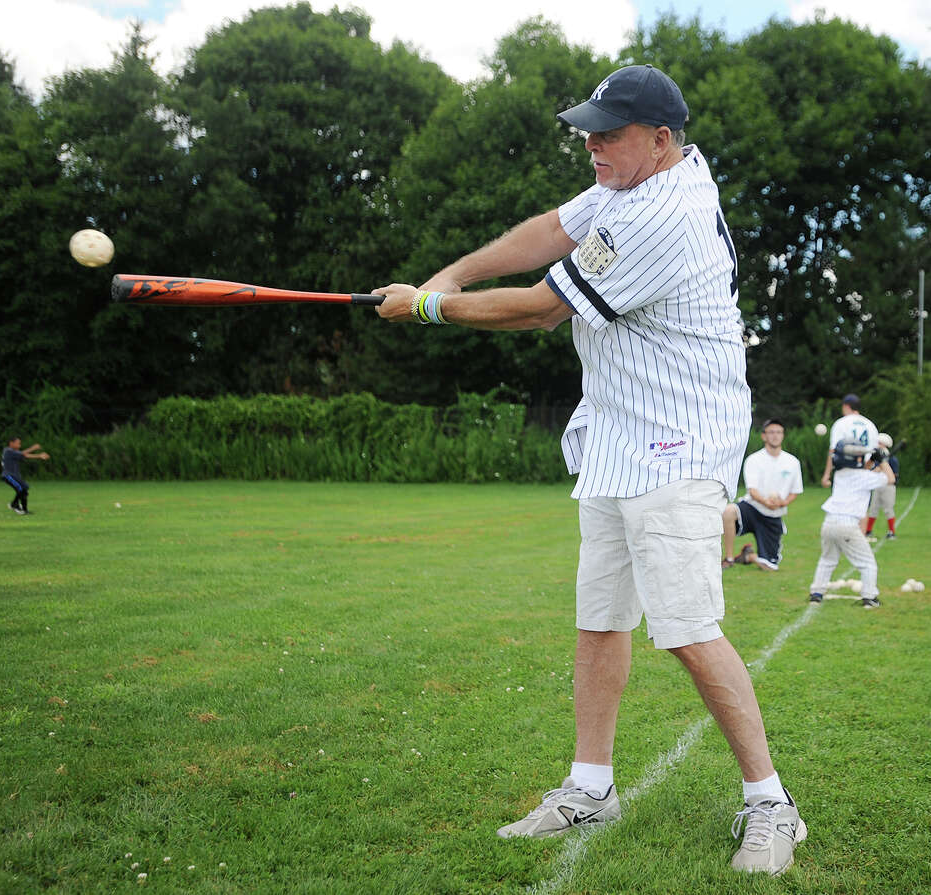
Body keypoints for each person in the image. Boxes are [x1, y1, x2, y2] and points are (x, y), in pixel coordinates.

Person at [373, 64, 806, 875]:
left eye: (608, 133)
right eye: (587, 131)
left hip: (678, 443)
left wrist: (431, 306)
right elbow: (547, 230)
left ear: (661, 140)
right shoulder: (623, 184)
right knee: (601, 616)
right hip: (614, 437)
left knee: (685, 627)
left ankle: (772, 802)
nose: (591, 145)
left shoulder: (668, 214)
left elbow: (543, 304)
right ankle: (591, 786)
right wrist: (455, 273)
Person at [808, 447, 894, 609]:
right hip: (847, 525)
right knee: (867, 563)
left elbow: (864, 470)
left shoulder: (839, 474)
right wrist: (882, 461)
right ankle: (870, 597)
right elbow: (889, 479)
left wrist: (872, 461)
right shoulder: (864, 476)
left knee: (827, 559)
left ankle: (816, 594)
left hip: (828, 524)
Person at [722, 419, 803, 570]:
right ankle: (729, 558)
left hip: (773, 515)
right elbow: (752, 490)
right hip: (753, 507)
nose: (775, 436)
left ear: (783, 435)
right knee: (728, 511)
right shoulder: (754, 460)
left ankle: (749, 556)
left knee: (770, 567)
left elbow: (795, 491)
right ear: (763, 436)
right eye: (771, 432)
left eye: (778, 432)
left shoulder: (792, 462)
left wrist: (782, 503)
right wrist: (765, 502)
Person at [819, 394, 879, 492]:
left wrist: (826, 475)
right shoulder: (870, 425)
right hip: (866, 471)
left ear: (846, 406)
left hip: (846, 472)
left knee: (842, 505)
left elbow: (833, 451)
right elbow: (875, 453)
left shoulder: (841, 423)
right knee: (862, 505)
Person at [1, 436, 50, 515]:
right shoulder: (8, 450)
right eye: (18, 443)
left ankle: (24, 510)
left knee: (25, 489)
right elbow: (24, 454)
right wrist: (34, 450)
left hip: (14, 476)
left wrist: (37, 454)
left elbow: (23, 455)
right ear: (11, 443)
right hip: (8, 475)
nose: (19, 445)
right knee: (21, 489)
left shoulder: (12, 452)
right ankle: (14, 505)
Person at [865, 433, 899, 541]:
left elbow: (894, 477)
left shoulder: (892, 459)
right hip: (877, 486)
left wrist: (884, 469)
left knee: (888, 509)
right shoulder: (876, 458)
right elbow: (871, 470)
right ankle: (868, 531)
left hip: (888, 487)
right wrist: (877, 470)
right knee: (873, 509)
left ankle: (892, 532)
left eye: (879, 443)